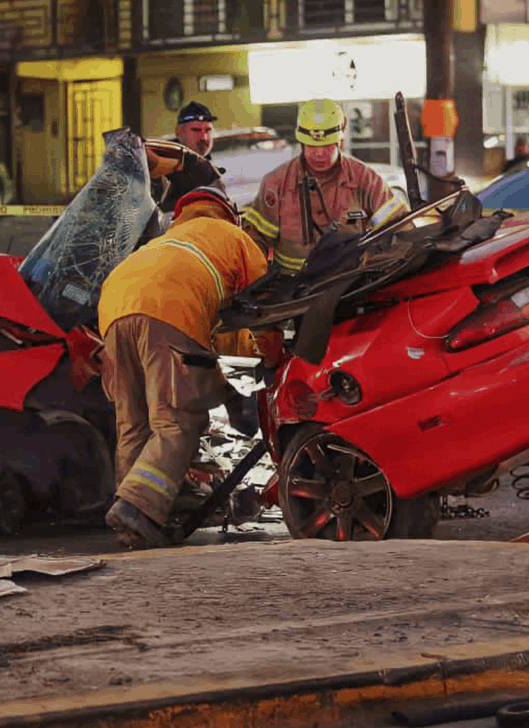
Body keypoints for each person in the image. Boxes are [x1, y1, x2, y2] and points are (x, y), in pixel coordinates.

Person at [97, 186, 271, 549]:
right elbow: (256, 313)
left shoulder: (169, 238)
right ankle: (137, 504)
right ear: (229, 214)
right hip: (168, 308)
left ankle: (133, 523)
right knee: (178, 421)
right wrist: (270, 362)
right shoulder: (234, 237)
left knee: (134, 423)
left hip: (113, 306)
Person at [241, 98, 405, 273]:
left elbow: (399, 226)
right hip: (290, 288)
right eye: (312, 146)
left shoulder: (365, 179)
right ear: (301, 143)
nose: (319, 154)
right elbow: (255, 241)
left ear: (340, 142)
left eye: (326, 146)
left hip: (349, 284)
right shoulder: (276, 183)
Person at [152, 101, 226, 212]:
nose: (204, 137)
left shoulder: (208, 168)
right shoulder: (163, 166)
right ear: (178, 132)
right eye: (196, 130)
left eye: (208, 130)